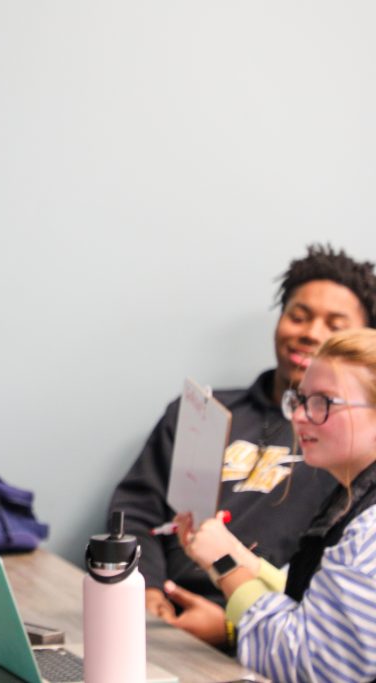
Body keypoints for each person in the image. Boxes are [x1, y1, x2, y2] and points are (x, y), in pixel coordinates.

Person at [109, 244, 376, 646]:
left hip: (255, 631)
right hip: (157, 613)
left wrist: (234, 626)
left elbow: (318, 621)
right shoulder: (203, 411)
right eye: (298, 316)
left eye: (334, 325)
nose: (311, 333)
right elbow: (137, 507)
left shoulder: (341, 451)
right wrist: (145, 587)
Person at [178, 327, 376, 681]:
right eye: (300, 399)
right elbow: (313, 604)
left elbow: (308, 666)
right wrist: (238, 558)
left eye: (324, 402)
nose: (299, 416)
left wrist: (225, 565)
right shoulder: (353, 501)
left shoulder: (369, 536)